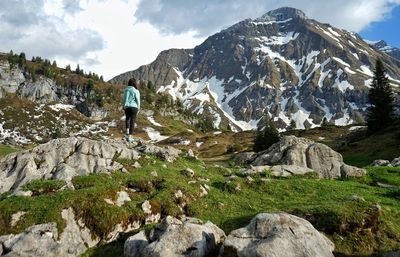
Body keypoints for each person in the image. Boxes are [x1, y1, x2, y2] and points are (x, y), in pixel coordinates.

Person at [123, 78, 140, 142]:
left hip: (127, 107)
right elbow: (138, 100)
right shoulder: (136, 91)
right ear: (134, 83)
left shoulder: (126, 90)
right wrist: (138, 108)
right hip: (134, 107)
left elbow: (124, 99)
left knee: (127, 118)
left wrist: (124, 106)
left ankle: (127, 132)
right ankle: (130, 136)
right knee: (132, 121)